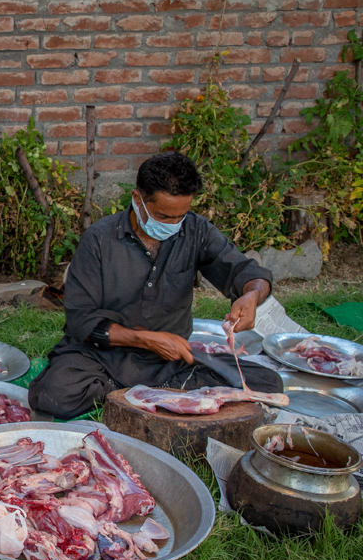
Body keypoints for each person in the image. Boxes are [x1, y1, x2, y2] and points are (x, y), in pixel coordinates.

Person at [29, 151, 282, 419]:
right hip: (102, 356)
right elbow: (80, 322)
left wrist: (252, 295)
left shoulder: (197, 231)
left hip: (170, 361)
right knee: (53, 394)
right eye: (163, 216)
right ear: (138, 199)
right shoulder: (99, 239)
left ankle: (136, 393)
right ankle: (153, 393)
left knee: (267, 382)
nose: (174, 224)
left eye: (180, 216)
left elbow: (246, 271)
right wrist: (145, 339)